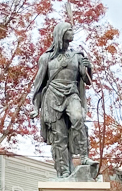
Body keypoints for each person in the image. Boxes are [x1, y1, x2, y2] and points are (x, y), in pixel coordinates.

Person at [31, 21, 93, 178]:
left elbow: (86, 80)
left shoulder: (77, 56)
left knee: (78, 118)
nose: (72, 32)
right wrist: (35, 107)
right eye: (69, 30)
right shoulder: (46, 58)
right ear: (61, 34)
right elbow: (39, 83)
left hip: (71, 93)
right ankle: (64, 170)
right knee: (60, 137)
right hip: (52, 97)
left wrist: (88, 68)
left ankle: (84, 157)